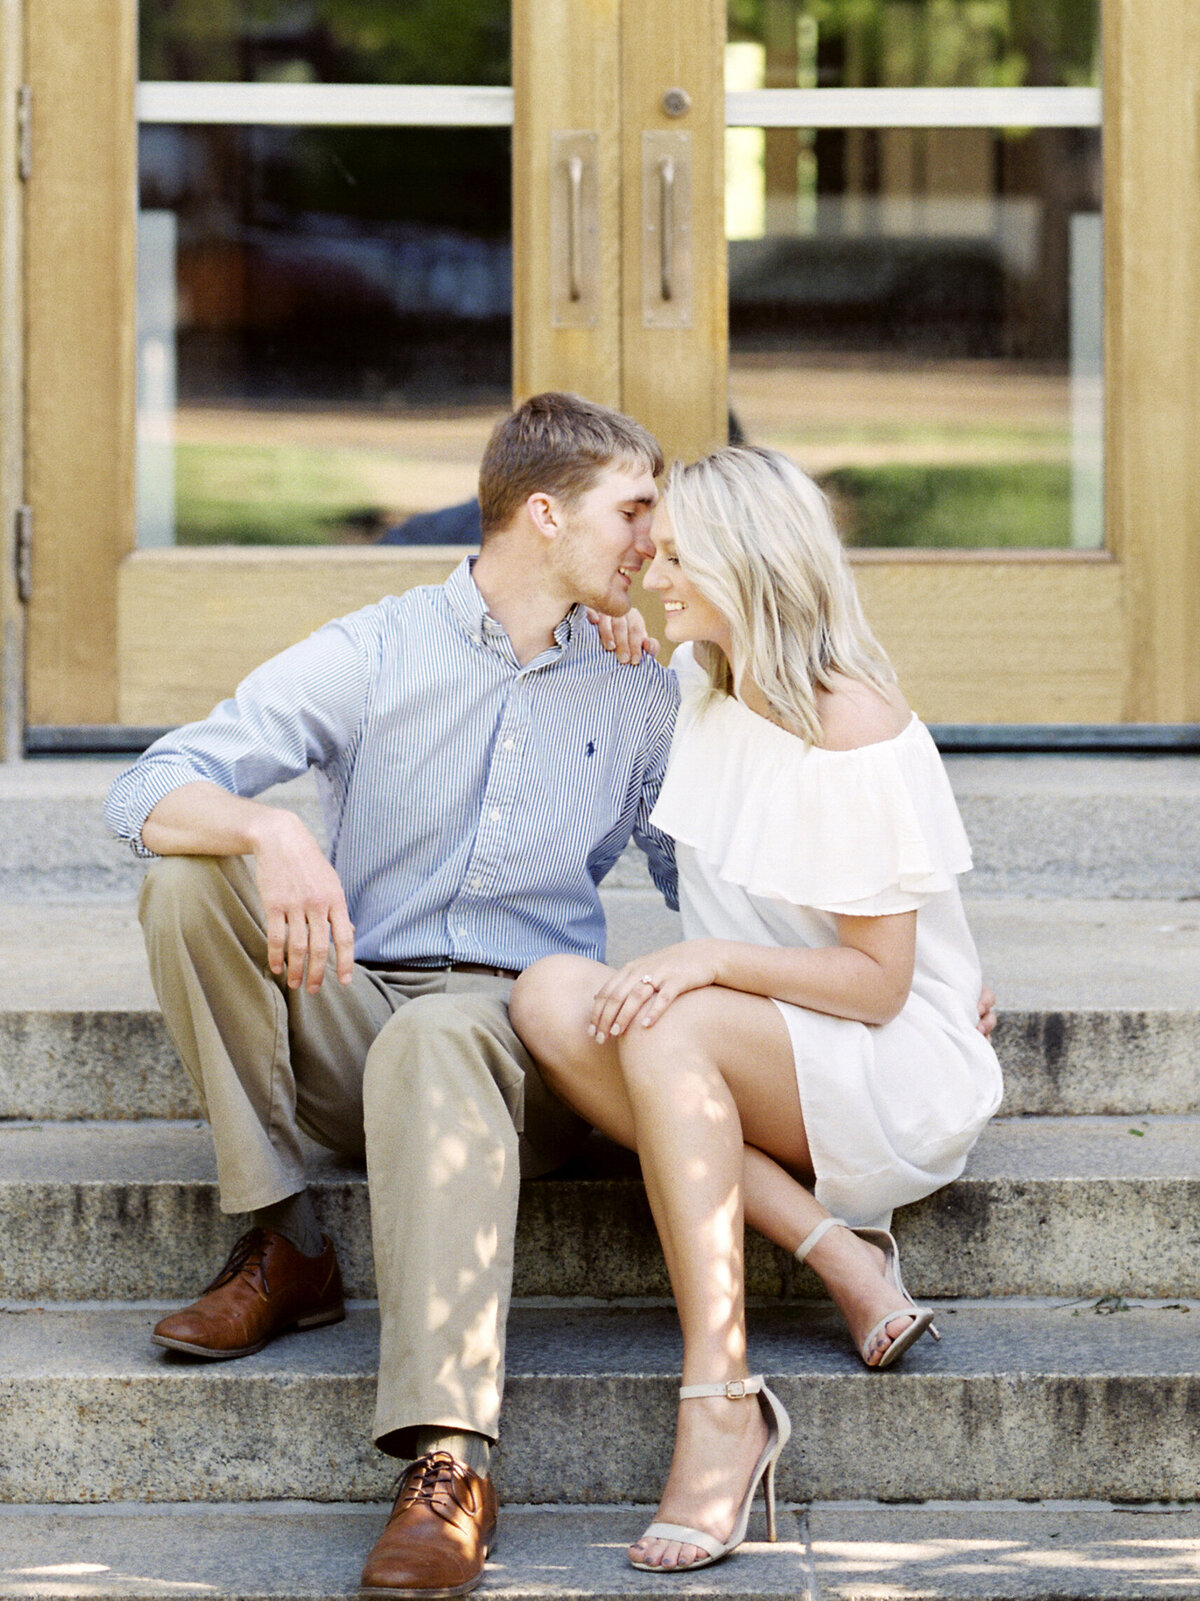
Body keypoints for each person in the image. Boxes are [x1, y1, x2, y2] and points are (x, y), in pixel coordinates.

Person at [103, 392, 679, 1600]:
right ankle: (288, 1236)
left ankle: (449, 1460)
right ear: (542, 512)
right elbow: (149, 783)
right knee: (186, 883)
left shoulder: (643, 689)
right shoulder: (377, 647)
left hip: (527, 1044)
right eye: (632, 510)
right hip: (363, 1016)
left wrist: (906, 963)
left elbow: (725, 870)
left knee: (440, 1032)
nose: (651, 540)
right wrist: (269, 827)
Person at [510, 445, 1004, 1576]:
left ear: (751, 565)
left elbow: (881, 983)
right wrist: (629, 626)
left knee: (665, 1011)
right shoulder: (707, 685)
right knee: (549, 995)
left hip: (891, 1062)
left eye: (680, 556)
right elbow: (619, 638)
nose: (653, 569)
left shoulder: (852, 724)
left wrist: (707, 959)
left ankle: (721, 1399)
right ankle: (836, 1253)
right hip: (771, 1043)